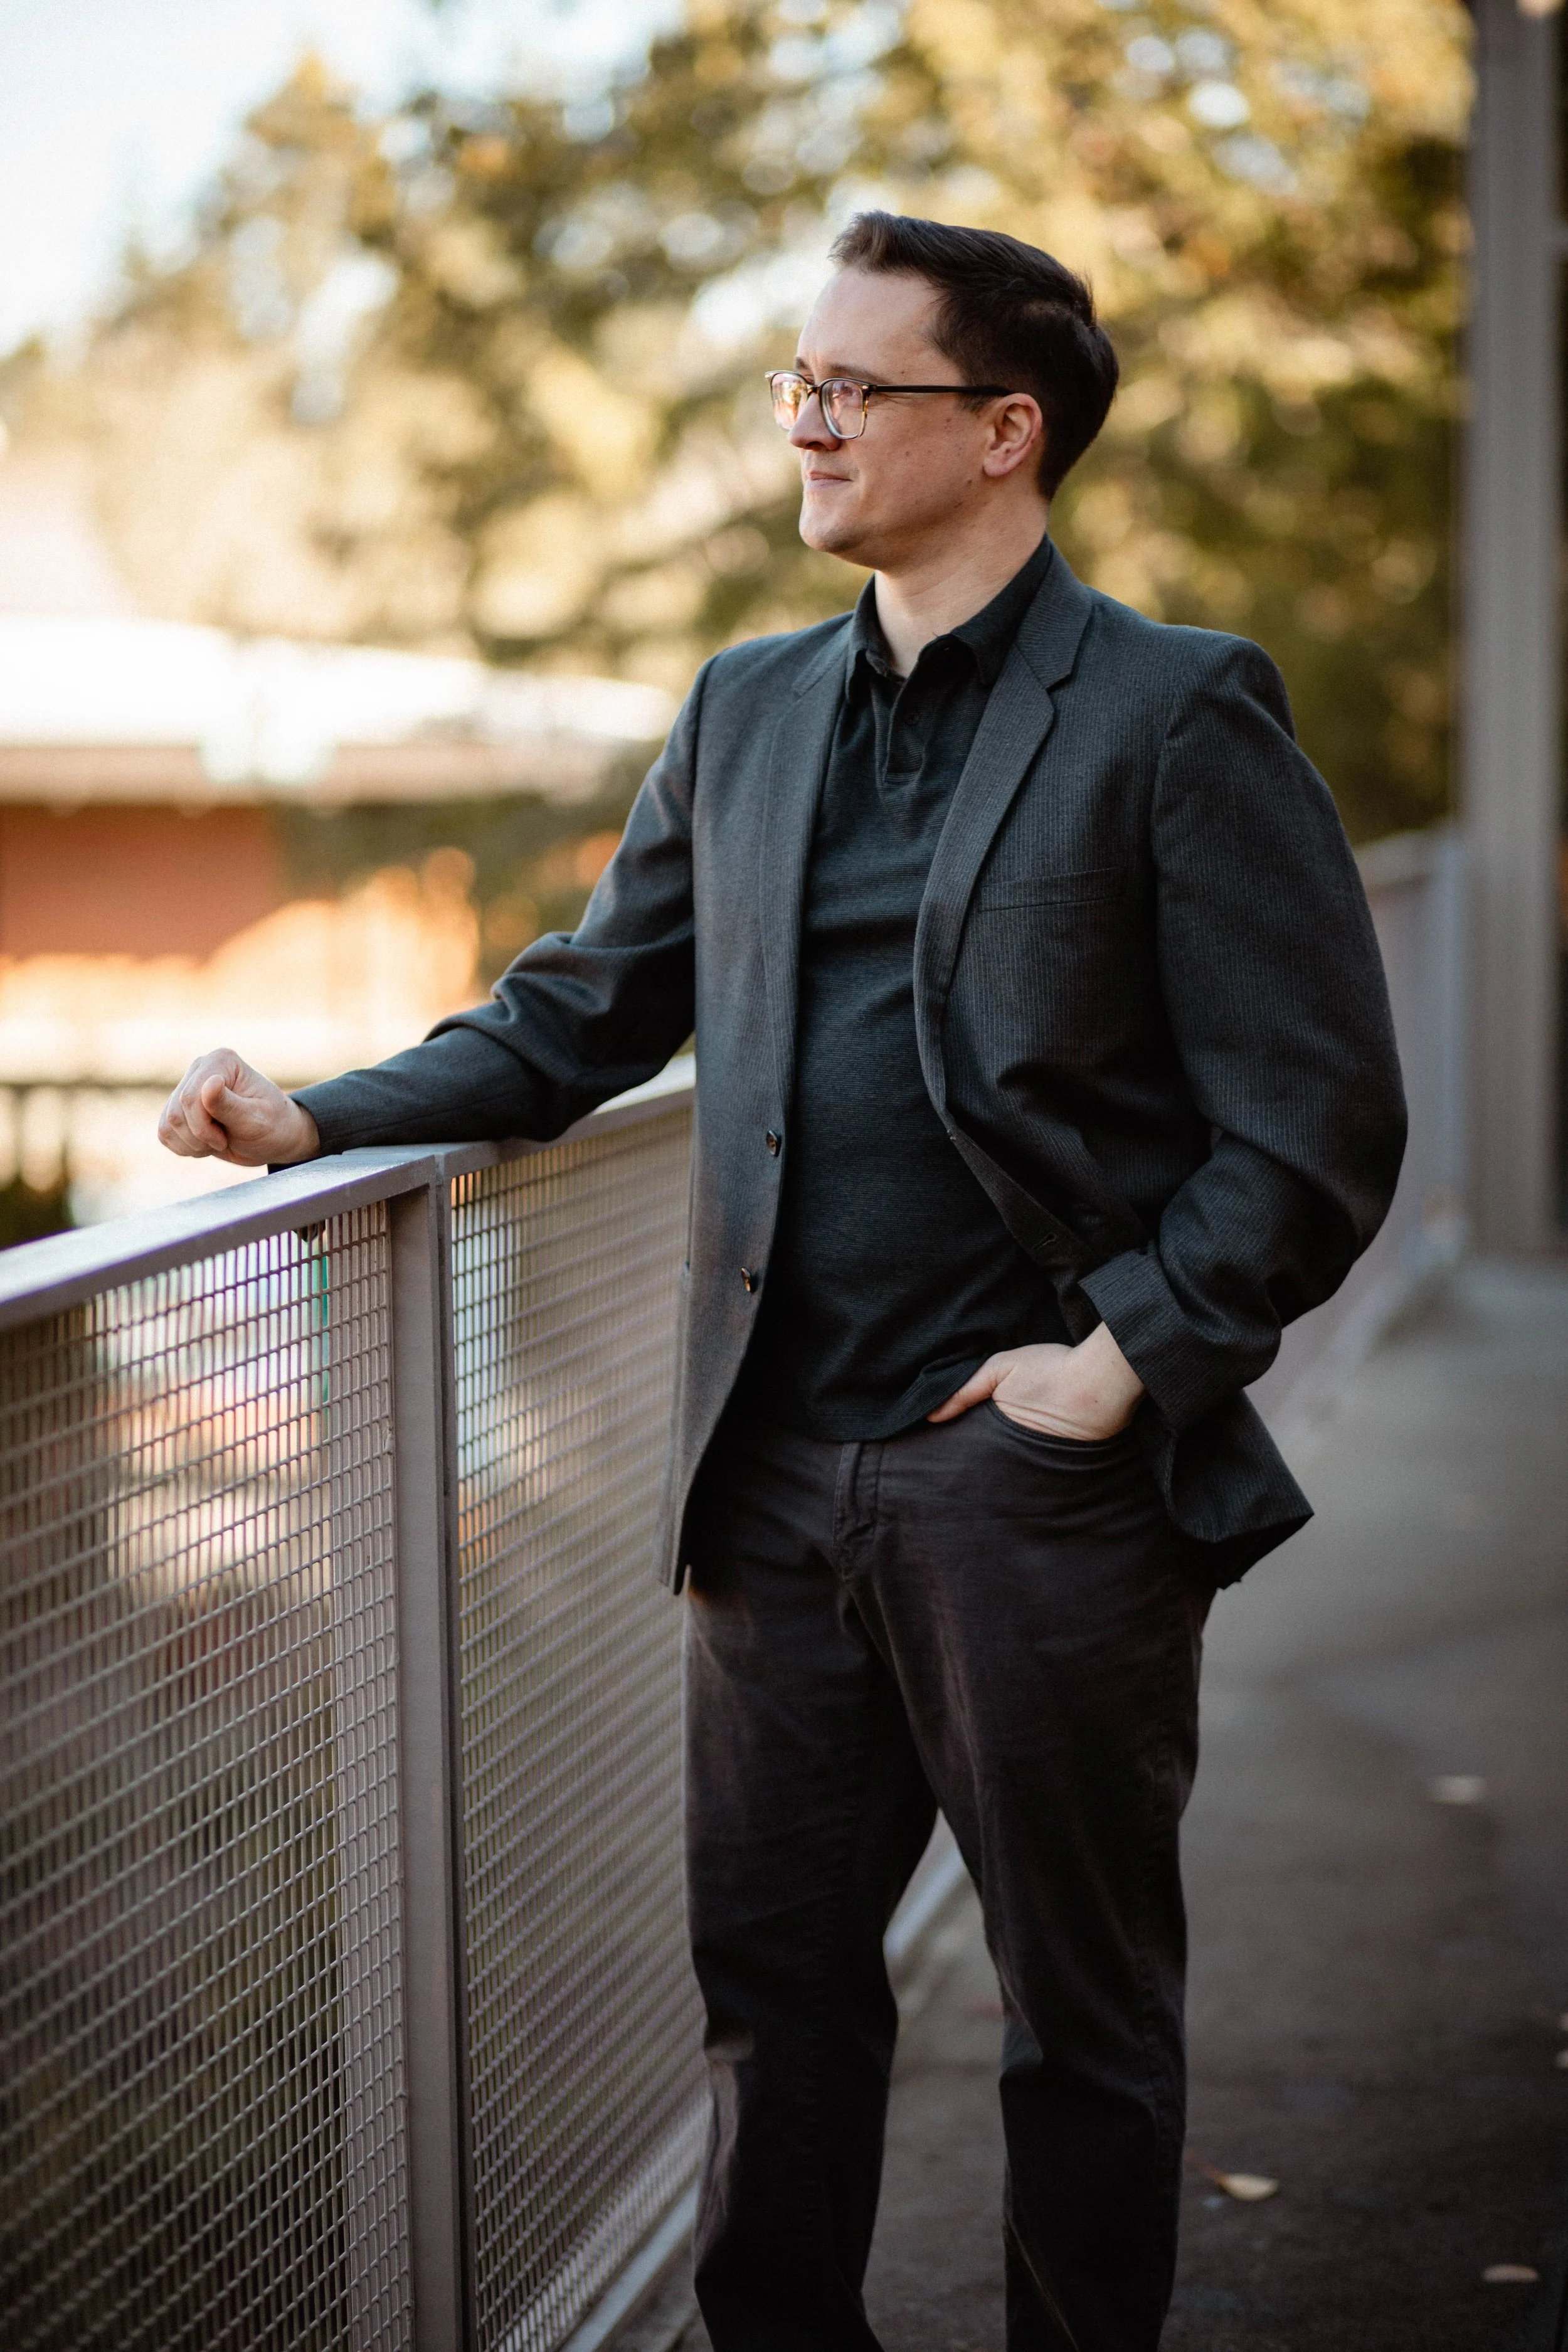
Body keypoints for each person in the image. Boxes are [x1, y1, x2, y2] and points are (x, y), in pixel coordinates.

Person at [160, 213, 1406, 2351]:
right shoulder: (744, 710)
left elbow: (1316, 1116)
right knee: (772, 2013)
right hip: (766, 1483)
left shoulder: (1177, 714)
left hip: (1027, 1486)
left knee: (1077, 2024)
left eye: (860, 383)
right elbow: (578, 1015)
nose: (809, 417)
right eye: (795, 380)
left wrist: (1122, 1365)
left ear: (1005, 433)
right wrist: (322, 1115)